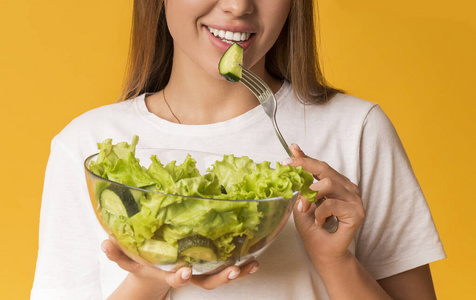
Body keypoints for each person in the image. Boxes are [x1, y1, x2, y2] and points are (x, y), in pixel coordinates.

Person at [31, 0, 446, 299]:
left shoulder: (356, 129)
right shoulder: (88, 147)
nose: (237, 6)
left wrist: (336, 262)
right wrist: (153, 274)